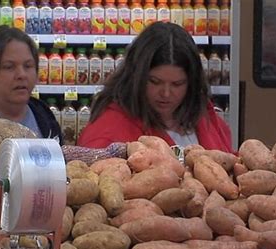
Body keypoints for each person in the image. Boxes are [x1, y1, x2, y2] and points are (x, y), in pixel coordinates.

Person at [77, 22, 233, 153]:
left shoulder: (206, 118)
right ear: (136, 77)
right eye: (154, 81)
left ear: (192, 83)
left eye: (177, 84)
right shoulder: (107, 132)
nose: (165, 93)